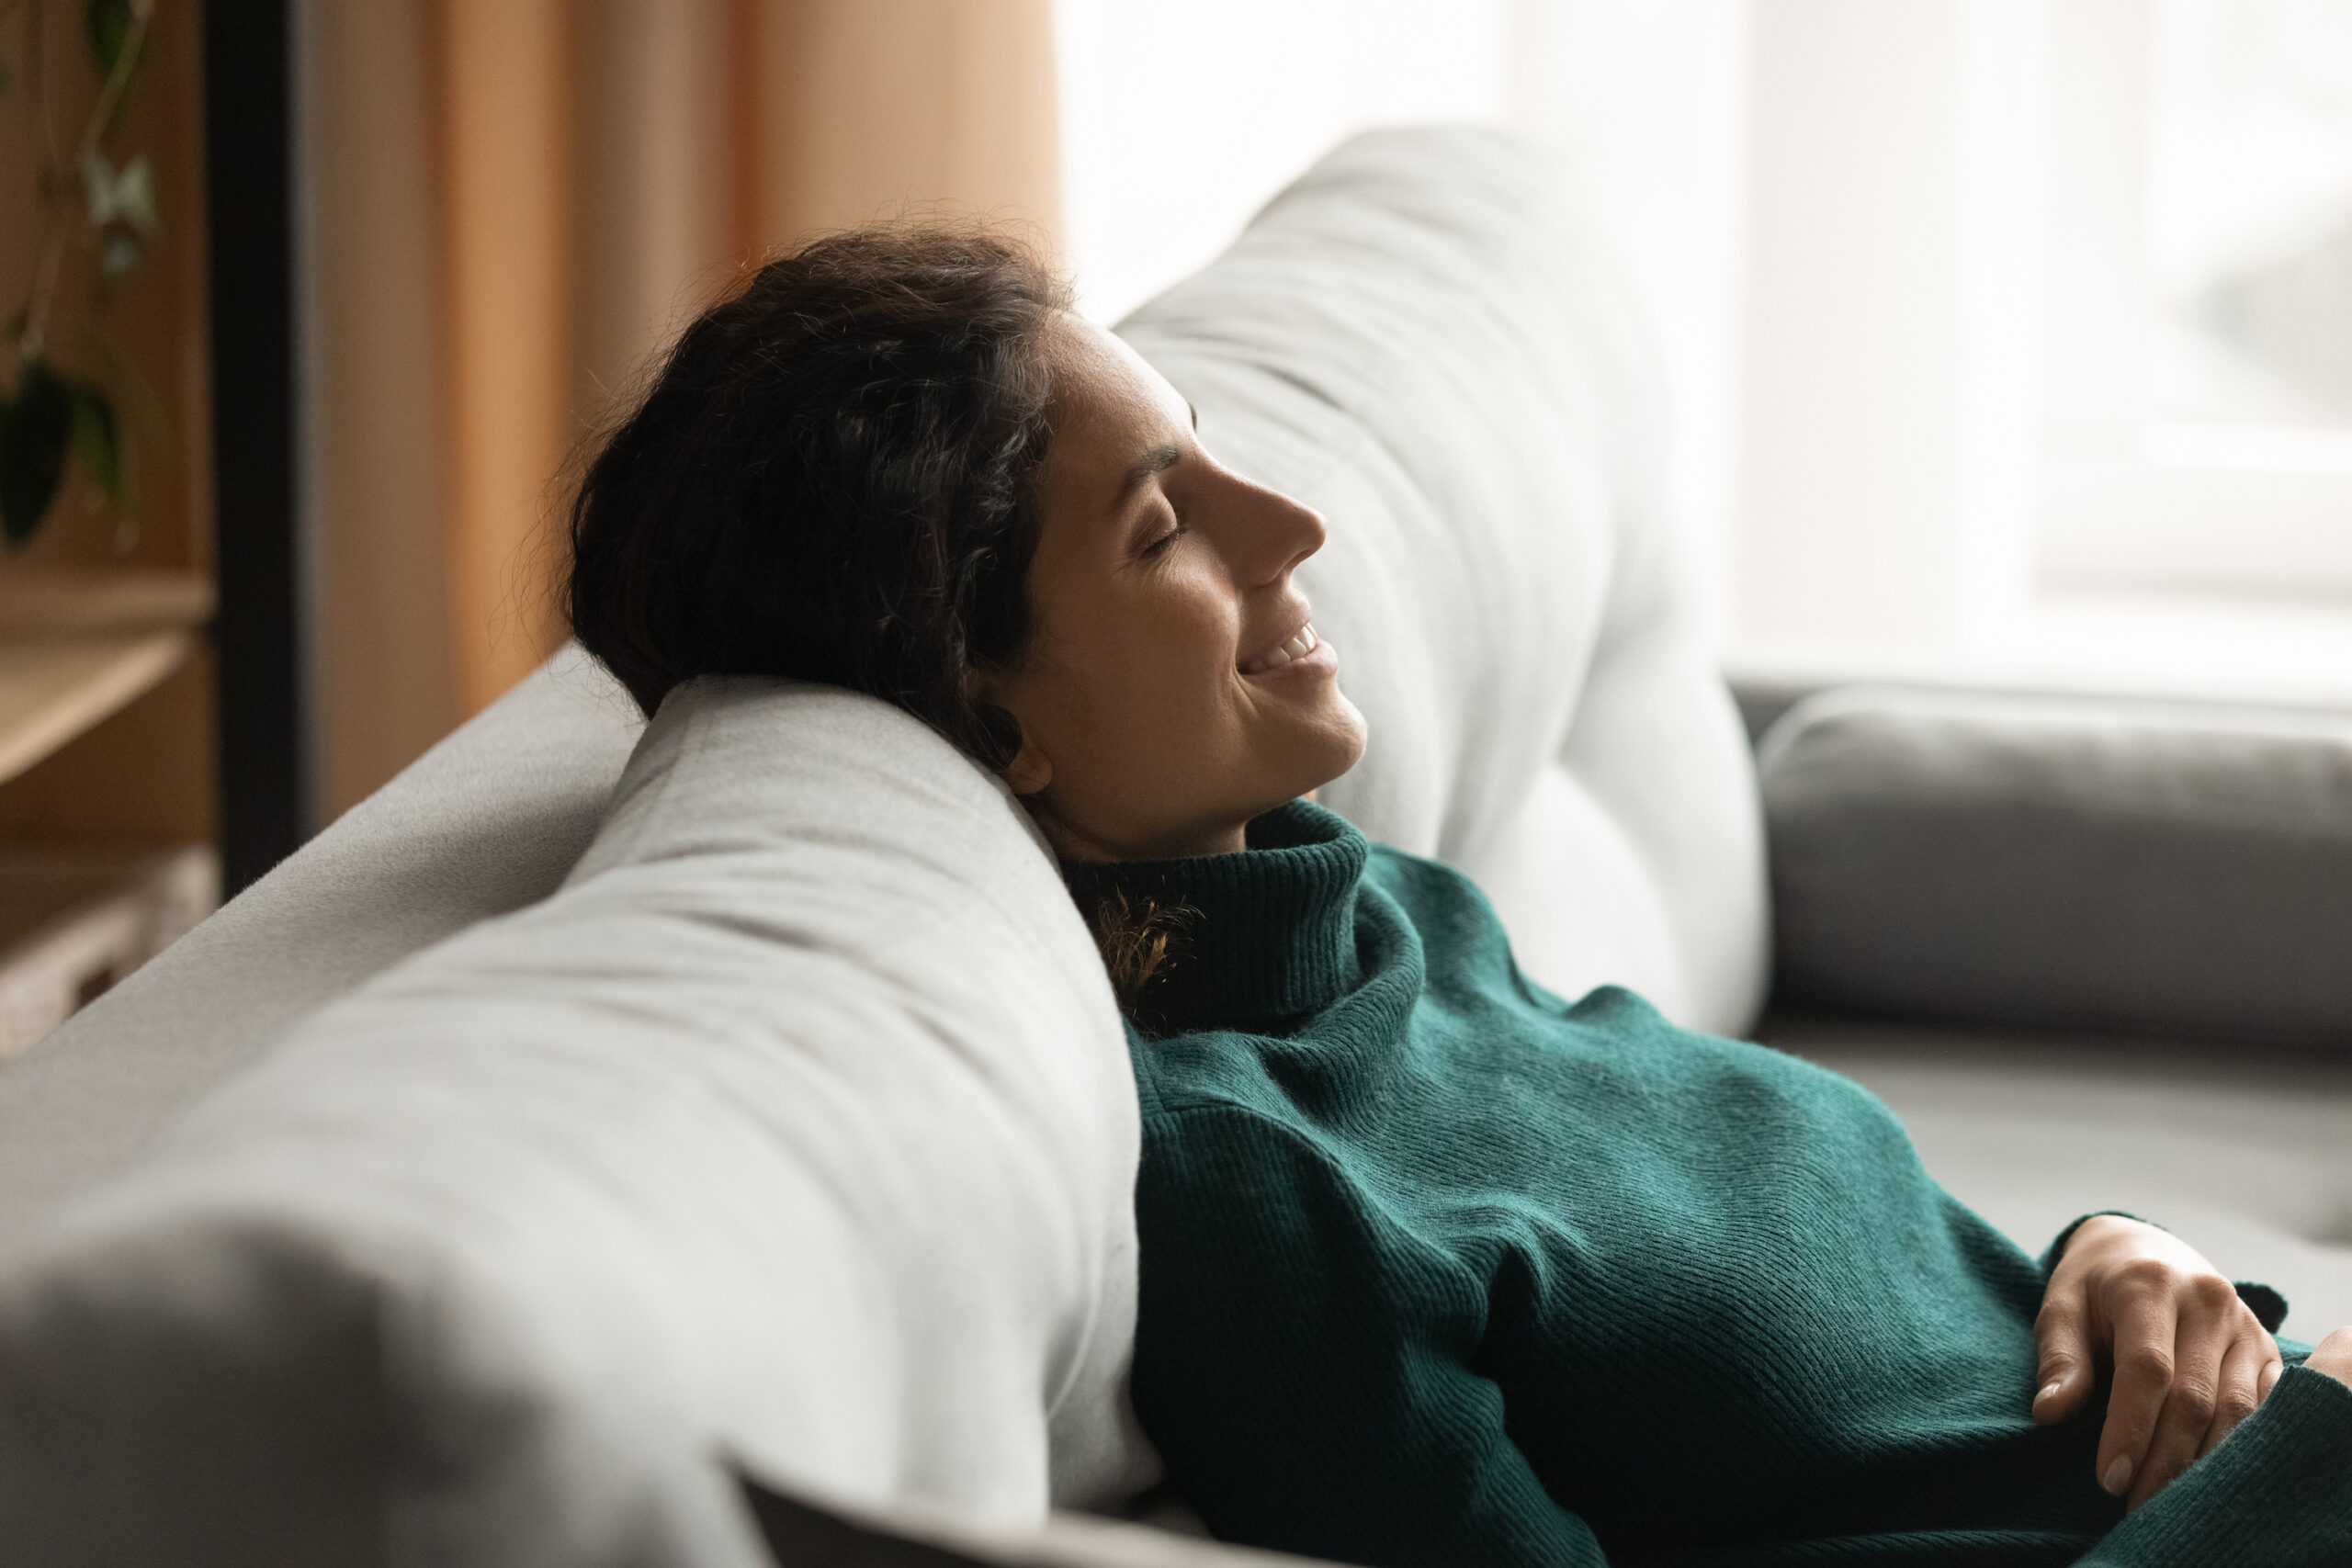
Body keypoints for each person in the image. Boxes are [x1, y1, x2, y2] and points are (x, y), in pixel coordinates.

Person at [567, 226, 2352, 1566]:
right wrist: (2314, 1451)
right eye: (1161, 523)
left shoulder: (1388, 924)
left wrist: (2107, 1253)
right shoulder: (1240, 1177)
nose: (1287, 525)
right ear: (990, 710)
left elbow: (1883, 1371)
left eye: (1213, 453)